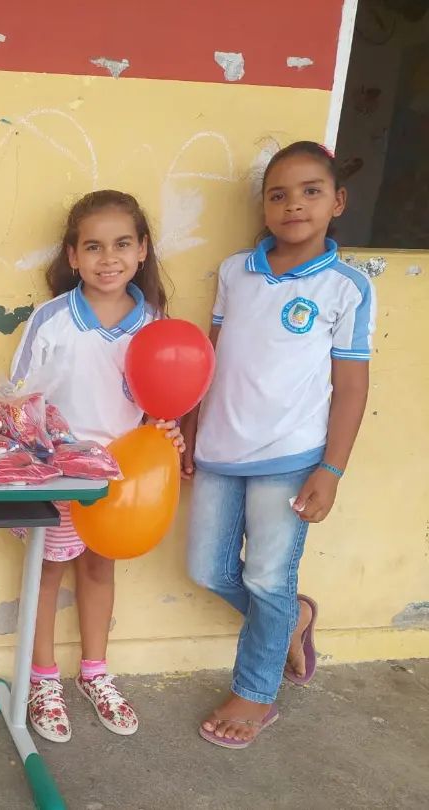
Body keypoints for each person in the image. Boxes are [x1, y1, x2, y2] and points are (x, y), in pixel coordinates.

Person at [183, 141, 375, 749]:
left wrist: (331, 470)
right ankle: (294, 617)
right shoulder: (235, 272)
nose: (294, 204)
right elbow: (210, 356)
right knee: (208, 570)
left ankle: (255, 692)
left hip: (291, 456)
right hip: (219, 449)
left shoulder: (347, 287)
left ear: (337, 201)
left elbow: (351, 386)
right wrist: (189, 429)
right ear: (265, 207)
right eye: (279, 194)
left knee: (268, 578)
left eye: (310, 191)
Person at [10, 190, 184, 743]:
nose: (108, 258)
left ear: (143, 249)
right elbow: (18, 395)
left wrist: (168, 430)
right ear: (72, 255)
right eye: (93, 247)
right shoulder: (51, 320)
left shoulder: (155, 324)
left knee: (98, 569)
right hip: (57, 471)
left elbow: (162, 399)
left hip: (120, 480)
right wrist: (38, 450)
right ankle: (42, 679)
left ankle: (94, 673)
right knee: (47, 570)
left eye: (122, 244)